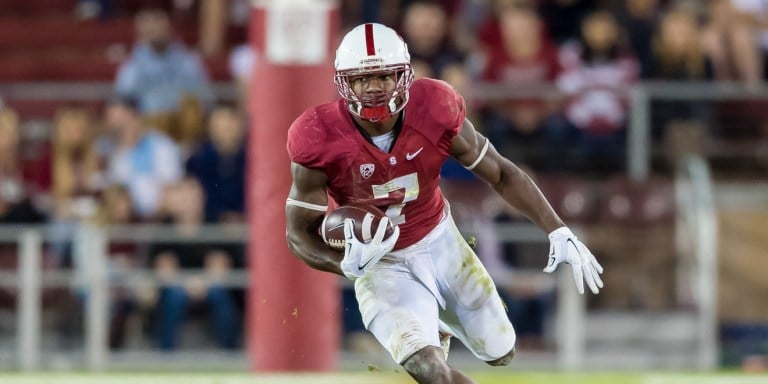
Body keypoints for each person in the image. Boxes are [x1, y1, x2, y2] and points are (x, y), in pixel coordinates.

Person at [285, 23, 604, 384]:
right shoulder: (318, 135)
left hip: (440, 241)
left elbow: (500, 172)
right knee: (431, 372)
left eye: (383, 76)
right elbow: (298, 235)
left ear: (404, 76)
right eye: (361, 79)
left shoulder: (435, 108)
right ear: (343, 83)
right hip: (383, 264)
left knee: (501, 352)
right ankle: (424, 327)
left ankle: (436, 321)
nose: (372, 88)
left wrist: (556, 229)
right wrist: (347, 265)